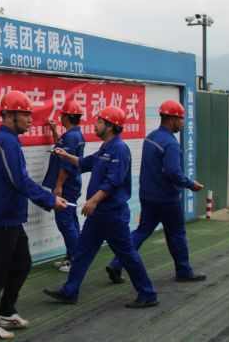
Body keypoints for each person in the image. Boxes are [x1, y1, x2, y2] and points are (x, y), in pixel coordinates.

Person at [43, 106, 159, 308]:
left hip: (113, 215)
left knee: (128, 255)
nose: (95, 124)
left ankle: (147, 293)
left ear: (110, 126)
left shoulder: (119, 149)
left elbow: (114, 181)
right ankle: (70, 291)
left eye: (99, 121)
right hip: (97, 216)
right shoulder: (105, 148)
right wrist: (64, 154)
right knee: (82, 253)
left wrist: (94, 200)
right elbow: (85, 162)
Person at [0, 90, 67, 340]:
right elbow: (20, 180)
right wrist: (49, 199)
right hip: (3, 220)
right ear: (8, 116)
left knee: (22, 263)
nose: (30, 119)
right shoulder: (6, 142)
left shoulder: (7, 141)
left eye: (29, 114)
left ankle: (6, 311)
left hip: (10, 219)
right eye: (25, 114)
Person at [106, 100, 206, 285]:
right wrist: (190, 184)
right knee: (176, 234)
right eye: (181, 119)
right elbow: (172, 172)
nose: (183, 123)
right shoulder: (171, 143)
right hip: (167, 199)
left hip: (148, 197)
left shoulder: (150, 137)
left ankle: (117, 263)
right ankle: (183, 271)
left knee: (142, 231)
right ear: (172, 119)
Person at [42, 100, 86, 273]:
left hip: (67, 186)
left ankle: (75, 261)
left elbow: (66, 164)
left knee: (65, 223)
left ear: (66, 117)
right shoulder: (74, 135)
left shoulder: (70, 137)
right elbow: (61, 150)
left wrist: (59, 185)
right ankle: (72, 257)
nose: (60, 118)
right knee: (71, 221)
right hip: (73, 185)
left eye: (62, 115)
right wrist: (54, 131)